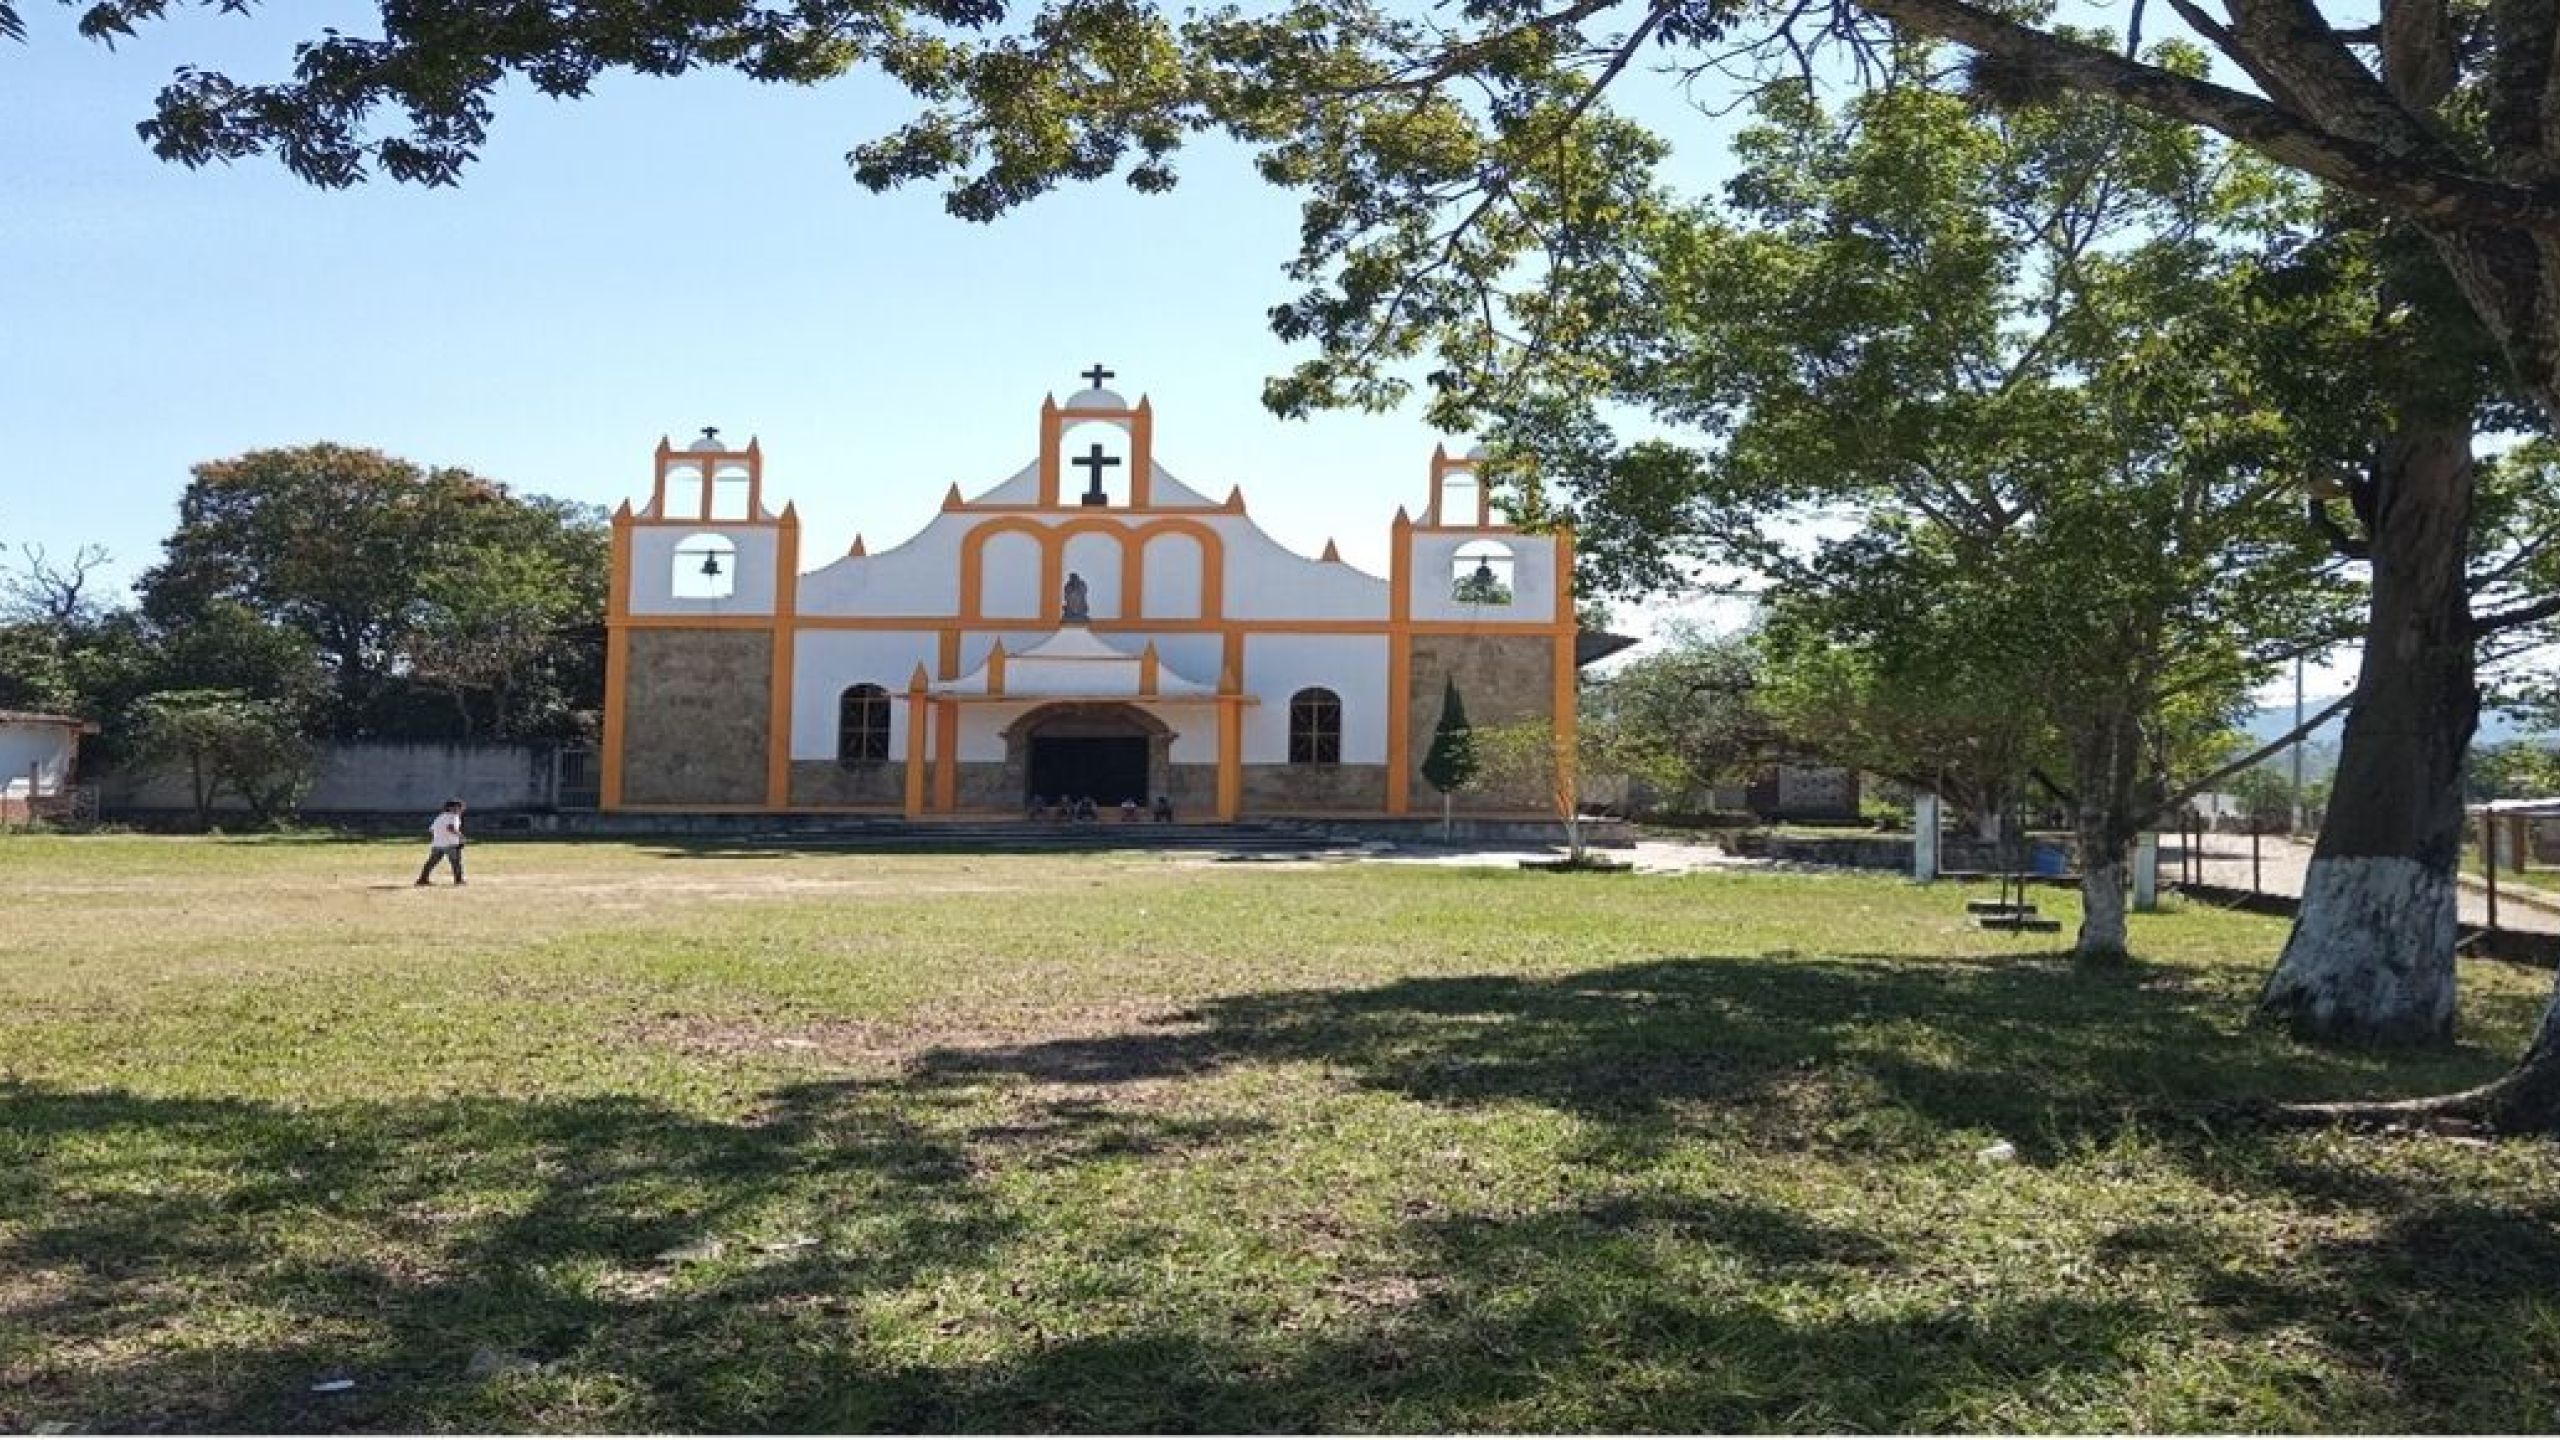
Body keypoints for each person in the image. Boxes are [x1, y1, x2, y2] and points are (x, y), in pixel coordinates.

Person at [416, 799, 466, 887]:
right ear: (451, 808)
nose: (461, 809)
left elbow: (431, 829)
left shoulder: (440, 816)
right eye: (459, 807)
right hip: (450, 844)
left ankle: (422, 879)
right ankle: (459, 880)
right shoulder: (453, 816)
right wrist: (460, 836)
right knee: (456, 863)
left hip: (437, 844)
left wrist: (439, 837)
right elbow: (450, 828)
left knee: (431, 862)